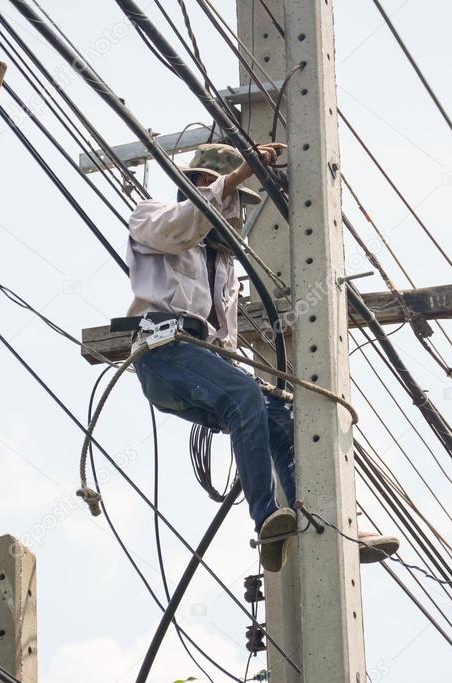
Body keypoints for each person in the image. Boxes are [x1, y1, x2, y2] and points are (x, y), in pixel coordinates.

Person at [124, 142, 397, 571]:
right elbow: (180, 225)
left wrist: (253, 382)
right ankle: (266, 517)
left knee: (279, 420)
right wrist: (234, 176)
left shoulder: (224, 265)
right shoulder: (153, 217)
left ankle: (332, 525)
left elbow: (225, 339)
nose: (235, 214)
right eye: (231, 199)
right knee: (244, 397)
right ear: (197, 185)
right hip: (164, 355)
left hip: (198, 363)